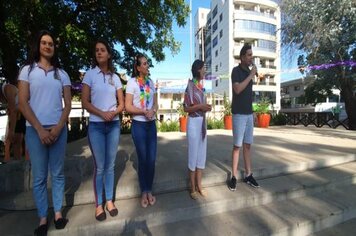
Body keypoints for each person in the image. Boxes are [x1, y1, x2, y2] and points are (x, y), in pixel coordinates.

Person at [18, 30, 71, 235]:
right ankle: (42, 218)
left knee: (57, 174)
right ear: (38, 46)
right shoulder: (27, 70)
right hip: (35, 131)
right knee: (39, 177)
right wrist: (39, 129)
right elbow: (22, 102)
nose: (48, 46)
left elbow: (67, 105)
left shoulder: (62, 74)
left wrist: (58, 128)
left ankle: (58, 213)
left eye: (51, 43)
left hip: (58, 130)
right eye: (44, 43)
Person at [81, 39, 124, 221]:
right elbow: (85, 102)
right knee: (100, 167)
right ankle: (98, 205)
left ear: (109, 54)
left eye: (102, 50)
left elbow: (122, 104)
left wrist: (112, 113)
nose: (99, 52)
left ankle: (109, 201)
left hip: (113, 125)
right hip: (97, 126)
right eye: (97, 50)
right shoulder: (89, 75)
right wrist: (102, 113)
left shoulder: (116, 78)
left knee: (110, 166)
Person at [125, 53, 158, 208]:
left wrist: (153, 110)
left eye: (147, 63)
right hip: (138, 125)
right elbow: (128, 106)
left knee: (151, 160)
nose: (147, 65)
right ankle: (144, 191)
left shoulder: (151, 82)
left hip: (151, 125)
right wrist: (143, 112)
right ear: (138, 67)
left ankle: (149, 189)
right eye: (144, 64)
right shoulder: (132, 82)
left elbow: (155, 104)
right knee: (143, 159)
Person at [228, 43, 260, 191]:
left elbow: (248, 95)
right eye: (248, 55)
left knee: (248, 145)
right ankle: (233, 176)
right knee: (237, 146)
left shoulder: (249, 71)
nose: (251, 57)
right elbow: (238, 89)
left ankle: (248, 174)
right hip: (239, 114)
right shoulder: (236, 71)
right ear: (242, 57)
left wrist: (252, 112)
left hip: (248, 113)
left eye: (251, 55)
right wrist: (251, 75)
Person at [183, 60, 211, 200]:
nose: (205, 70)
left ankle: (200, 186)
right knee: (193, 155)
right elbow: (186, 108)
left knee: (201, 156)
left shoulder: (201, 86)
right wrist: (201, 107)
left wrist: (206, 108)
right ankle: (192, 187)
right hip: (193, 123)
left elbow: (202, 106)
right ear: (198, 70)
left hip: (202, 123)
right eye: (204, 68)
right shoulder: (190, 86)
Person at [0, 67, 27, 161]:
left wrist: (11, 130)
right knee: (17, 140)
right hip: (21, 112)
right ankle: (17, 162)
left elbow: (13, 111)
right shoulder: (8, 87)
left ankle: (23, 162)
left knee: (17, 139)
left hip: (24, 113)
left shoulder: (8, 88)